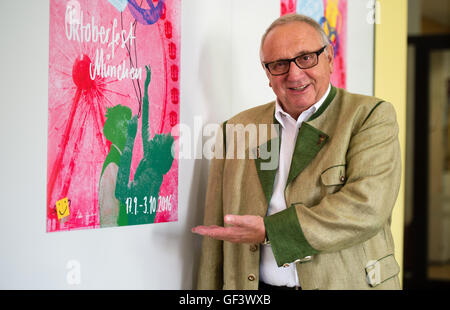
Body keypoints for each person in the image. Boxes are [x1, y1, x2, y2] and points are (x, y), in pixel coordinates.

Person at [192, 13, 402, 290]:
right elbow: (216, 241)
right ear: (267, 74)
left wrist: (272, 231)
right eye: (279, 64)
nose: (294, 74)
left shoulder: (369, 116)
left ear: (328, 58)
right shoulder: (235, 128)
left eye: (305, 58)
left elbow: (366, 208)